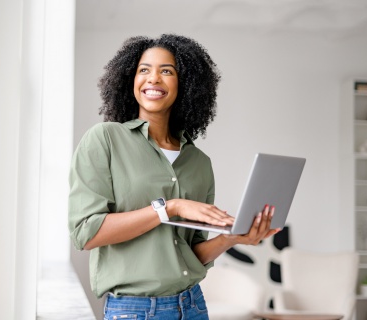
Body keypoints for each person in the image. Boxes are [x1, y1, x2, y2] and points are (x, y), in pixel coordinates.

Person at [68, 34, 279, 320]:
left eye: (166, 71)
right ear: (129, 79)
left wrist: (232, 238)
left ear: (186, 84)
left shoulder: (199, 162)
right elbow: (86, 233)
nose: (153, 79)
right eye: (144, 70)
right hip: (136, 310)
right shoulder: (105, 139)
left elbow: (192, 255)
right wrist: (170, 207)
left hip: (192, 306)